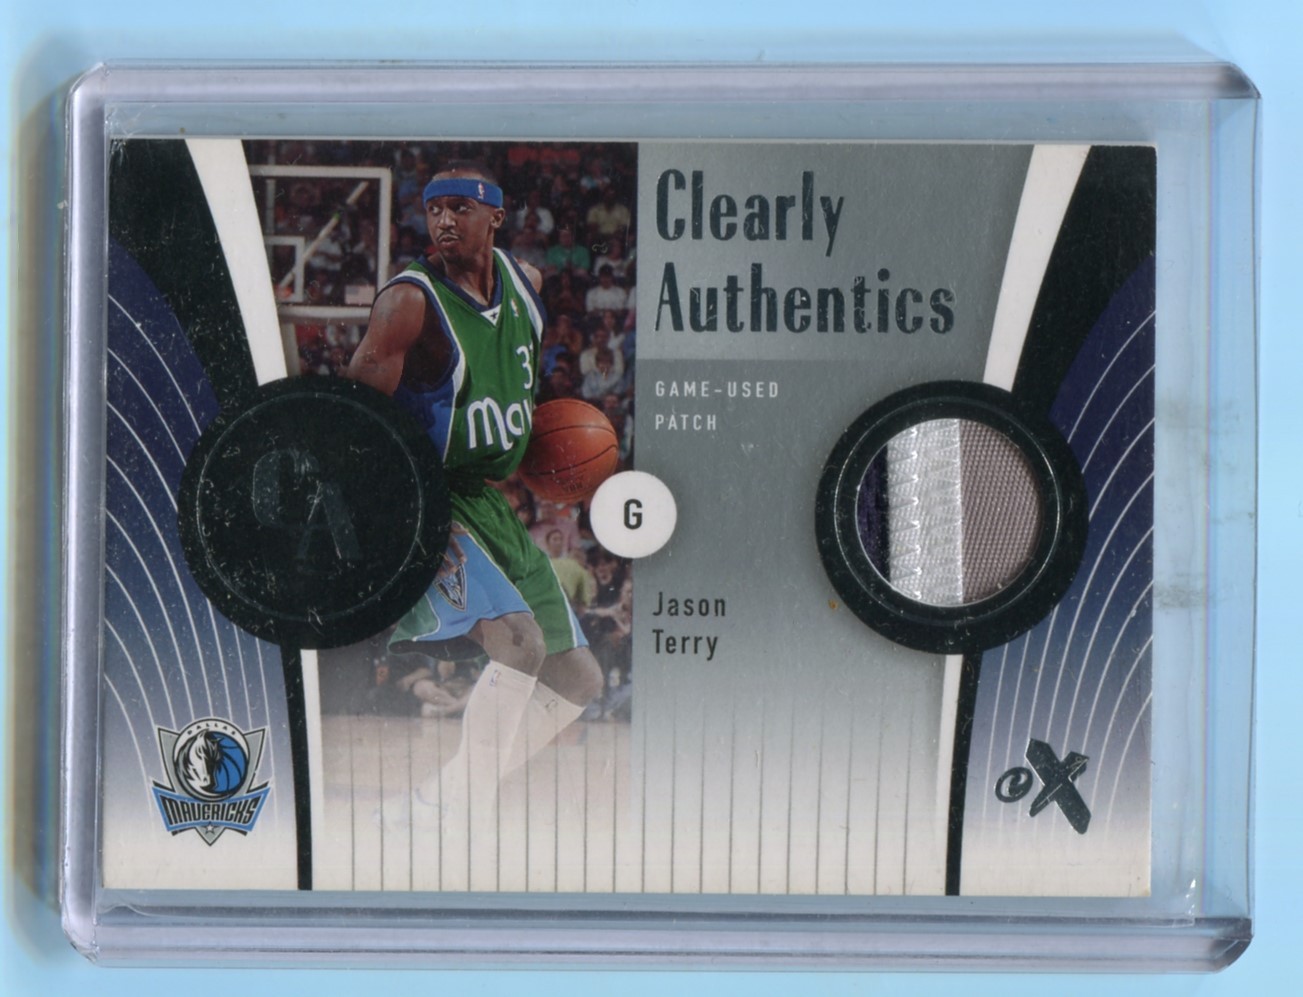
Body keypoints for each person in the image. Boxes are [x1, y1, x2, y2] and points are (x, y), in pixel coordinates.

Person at [346, 161, 604, 835]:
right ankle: (464, 811)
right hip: (429, 498)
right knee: (518, 643)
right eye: (434, 209)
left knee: (579, 679)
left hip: (489, 501)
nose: (443, 221)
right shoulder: (408, 303)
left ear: (496, 217)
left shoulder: (527, 283)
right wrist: (403, 524)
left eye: (460, 208)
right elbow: (349, 423)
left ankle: (440, 799)